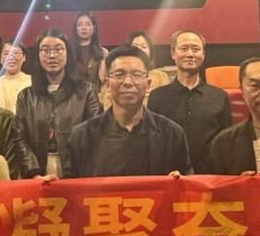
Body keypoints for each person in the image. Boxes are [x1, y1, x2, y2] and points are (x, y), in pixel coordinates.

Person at [64, 46, 190, 178]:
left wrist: (180, 182)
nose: (128, 82)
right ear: (107, 84)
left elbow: (187, 182)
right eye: (119, 75)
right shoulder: (82, 136)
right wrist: (53, 184)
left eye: (136, 75)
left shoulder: (171, 134)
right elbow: (68, 185)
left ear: (148, 84)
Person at [10, 29, 98, 178]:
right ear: (37, 55)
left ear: (68, 53)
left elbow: (94, 133)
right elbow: (19, 139)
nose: (52, 55)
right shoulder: (25, 96)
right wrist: (34, 173)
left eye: (58, 49)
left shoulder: (86, 91)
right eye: (45, 50)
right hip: (38, 173)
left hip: (77, 172)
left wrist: (74, 172)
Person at [147, 29, 232, 175]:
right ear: (173, 53)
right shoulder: (157, 97)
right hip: (170, 178)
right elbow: (151, 142)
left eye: (196, 49)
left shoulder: (219, 96)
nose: (190, 54)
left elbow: (227, 142)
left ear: (203, 54)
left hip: (210, 179)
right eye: (184, 48)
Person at [0, 40, 31, 114]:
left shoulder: (32, 82)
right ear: (0, 59)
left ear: (24, 57)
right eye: (6, 53)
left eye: (16, 53)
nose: (11, 57)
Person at [72, 12, 106, 87]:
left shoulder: (103, 53)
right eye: (79, 25)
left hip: (97, 93)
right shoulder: (69, 52)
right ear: (75, 29)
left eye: (88, 24)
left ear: (94, 28)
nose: (84, 28)